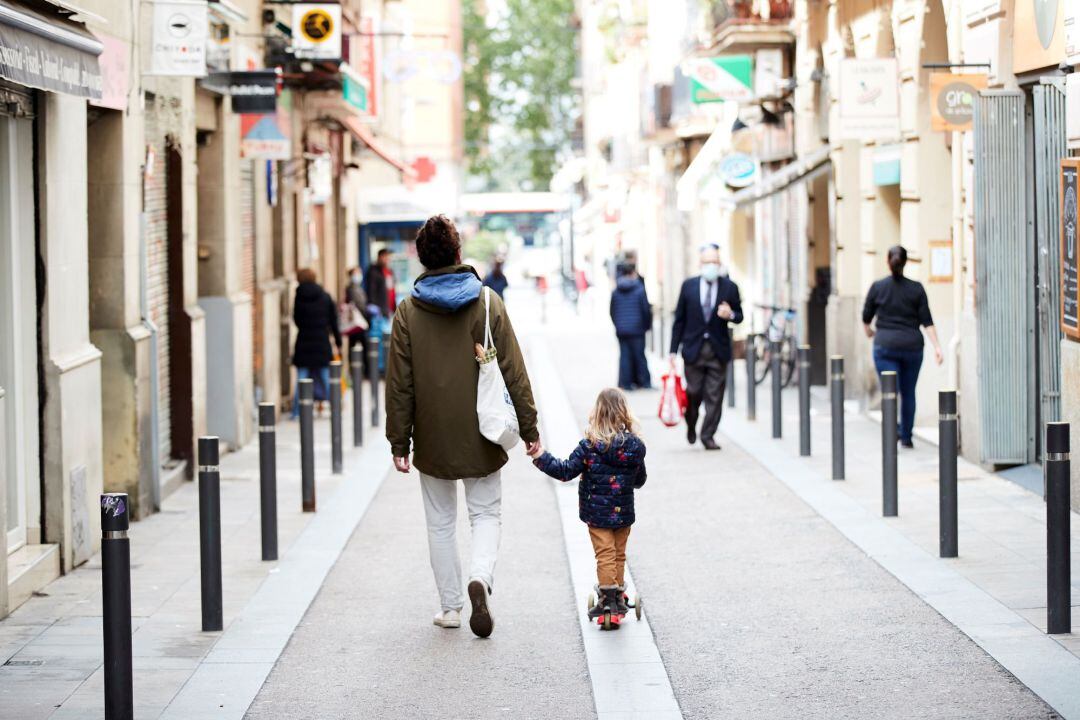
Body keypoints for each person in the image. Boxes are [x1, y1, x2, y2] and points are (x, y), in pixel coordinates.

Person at [385, 214, 540, 638]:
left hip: (432, 435)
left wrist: (399, 440)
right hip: (483, 431)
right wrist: (529, 428)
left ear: (421, 259)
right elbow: (513, 370)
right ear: (457, 253)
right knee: (486, 513)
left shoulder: (406, 312)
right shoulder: (488, 302)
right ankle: (480, 577)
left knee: (439, 523)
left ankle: (451, 607)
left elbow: (399, 384)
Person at [528, 388, 646, 623]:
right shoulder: (635, 447)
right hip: (623, 513)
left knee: (605, 555)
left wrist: (540, 455)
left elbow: (565, 471)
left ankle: (608, 600)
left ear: (597, 413)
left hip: (597, 514)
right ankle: (619, 598)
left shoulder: (589, 446)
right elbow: (640, 481)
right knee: (618, 555)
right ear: (624, 413)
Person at [862, 245, 943, 449]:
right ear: (906, 262)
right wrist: (937, 347)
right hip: (912, 347)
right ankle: (906, 436)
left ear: (888, 262)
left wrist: (870, 332)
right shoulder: (916, 289)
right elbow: (927, 321)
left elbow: (866, 317)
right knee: (908, 392)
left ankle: (891, 432)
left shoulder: (878, 287)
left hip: (885, 346)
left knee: (890, 391)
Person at [669, 244, 743, 451]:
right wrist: (672, 351)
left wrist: (731, 315)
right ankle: (691, 422)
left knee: (715, 396)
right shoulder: (688, 286)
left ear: (719, 264)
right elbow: (679, 320)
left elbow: (739, 315)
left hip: (718, 351)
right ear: (700, 264)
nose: (711, 265)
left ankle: (707, 435)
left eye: (714, 262)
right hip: (693, 350)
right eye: (707, 262)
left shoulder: (730, 287)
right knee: (693, 393)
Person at [291, 268, 341, 419]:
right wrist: (338, 342)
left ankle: (296, 412)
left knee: (301, 378)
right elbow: (333, 322)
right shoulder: (325, 297)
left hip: (304, 341)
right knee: (327, 378)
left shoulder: (298, 297)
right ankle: (335, 409)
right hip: (321, 341)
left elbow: (297, 320)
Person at [609, 263, 652, 390]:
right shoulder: (639, 289)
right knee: (640, 356)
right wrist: (646, 325)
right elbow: (645, 310)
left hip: (622, 329)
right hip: (637, 329)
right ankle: (644, 382)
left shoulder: (616, 290)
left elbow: (612, 310)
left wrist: (618, 324)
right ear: (633, 273)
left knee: (624, 356)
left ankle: (625, 383)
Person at [342, 266, 369, 362]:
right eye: (357, 273)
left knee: (359, 345)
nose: (359, 275)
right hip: (357, 320)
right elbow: (357, 304)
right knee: (356, 345)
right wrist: (366, 310)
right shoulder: (351, 288)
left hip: (360, 320)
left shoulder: (358, 287)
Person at [364, 248, 396, 318]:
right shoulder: (373, 271)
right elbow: (371, 290)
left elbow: (392, 289)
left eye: (388, 256)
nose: (387, 259)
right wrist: (373, 305)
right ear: (379, 257)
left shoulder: (390, 272)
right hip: (379, 311)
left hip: (390, 310)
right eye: (385, 256)